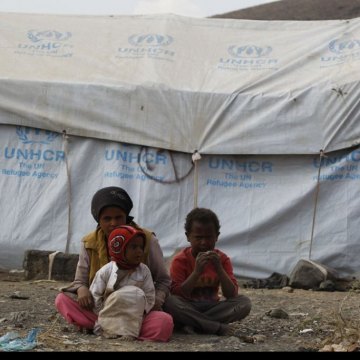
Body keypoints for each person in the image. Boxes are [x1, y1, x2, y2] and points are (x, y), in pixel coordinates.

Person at [55, 186, 173, 342]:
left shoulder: (146, 239)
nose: (113, 223)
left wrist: (155, 302)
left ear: (127, 217)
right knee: (62, 299)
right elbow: (80, 281)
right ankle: (114, 326)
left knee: (164, 322)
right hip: (102, 308)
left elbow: (164, 281)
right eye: (107, 219)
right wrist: (82, 290)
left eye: (119, 217)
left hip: (136, 311)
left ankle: (106, 327)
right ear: (98, 220)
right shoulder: (89, 242)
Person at [163, 207, 251, 336]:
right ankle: (214, 327)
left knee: (244, 303)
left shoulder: (222, 259)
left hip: (212, 307)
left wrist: (219, 269)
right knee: (170, 302)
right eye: (198, 238)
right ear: (188, 237)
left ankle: (194, 324)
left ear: (217, 237)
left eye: (209, 237)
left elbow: (231, 294)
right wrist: (197, 272)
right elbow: (178, 293)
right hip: (188, 306)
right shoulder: (180, 260)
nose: (204, 243)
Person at [90, 226, 157, 341]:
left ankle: (128, 331)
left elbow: (150, 296)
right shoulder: (105, 271)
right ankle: (108, 327)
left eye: (141, 247)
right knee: (65, 300)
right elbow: (95, 295)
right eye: (134, 247)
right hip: (110, 312)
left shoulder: (144, 270)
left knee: (164, 321)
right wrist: (103, 312)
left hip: (135, 315)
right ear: (119, 248)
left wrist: (141, 311)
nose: (139, 251)